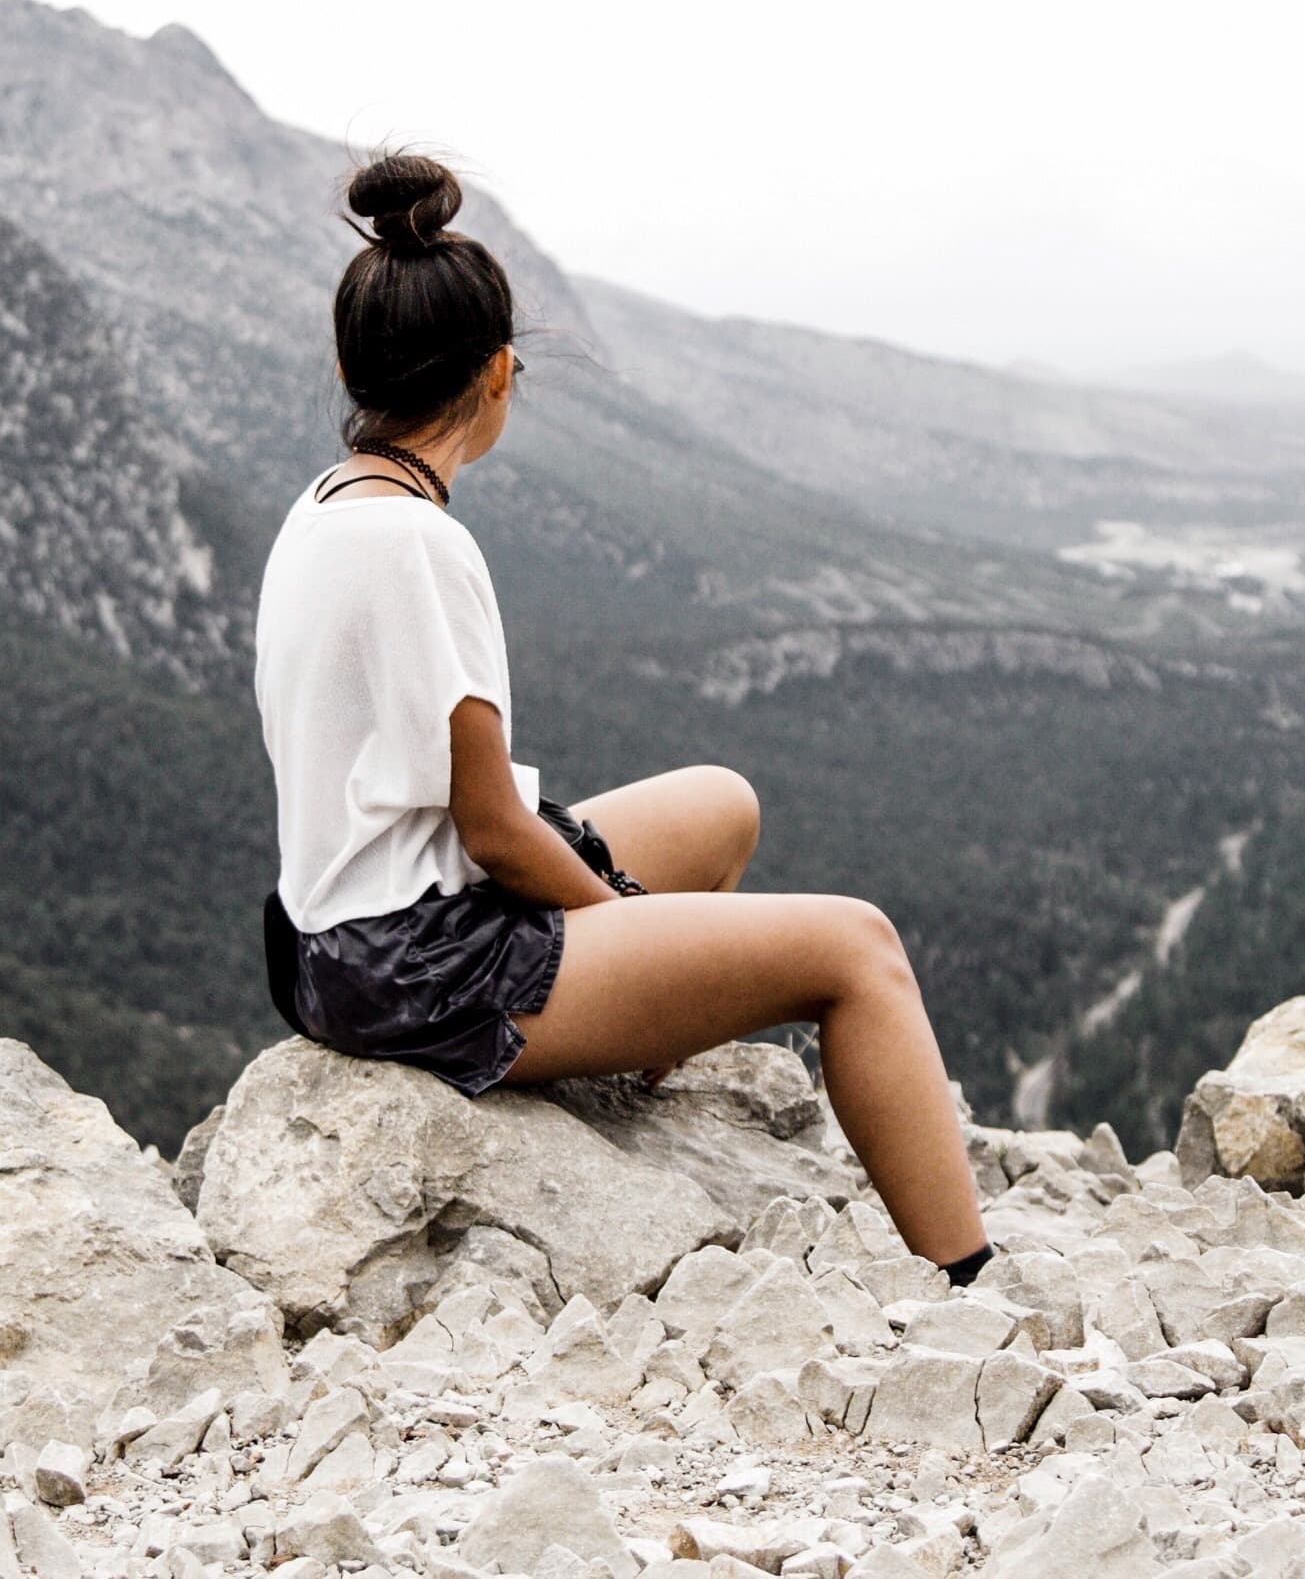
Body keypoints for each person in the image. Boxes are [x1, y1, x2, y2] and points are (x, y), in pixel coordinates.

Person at [255, 150, 992, 1284]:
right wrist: (618, 917)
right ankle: (972, 1286)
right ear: (499, 375)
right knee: (859, 947)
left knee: (720, 805)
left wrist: (619, 918)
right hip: (415, 962)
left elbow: (458, 812)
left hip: (344, 932)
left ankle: (632, 1033)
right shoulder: (418, 543)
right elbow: (495, 828)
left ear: (354, 364)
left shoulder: (328, 504)